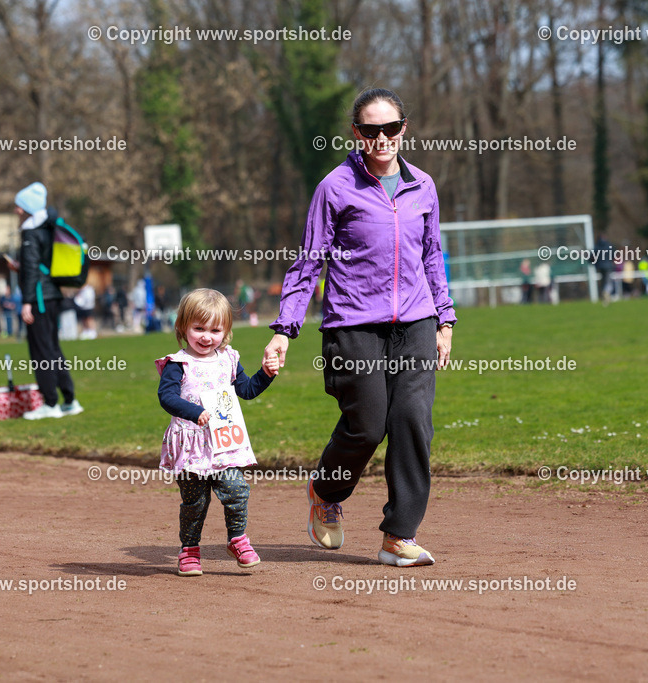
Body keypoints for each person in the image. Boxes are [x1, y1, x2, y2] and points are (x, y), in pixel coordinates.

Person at [264, 88, 456, 567]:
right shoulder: (335, 187)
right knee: (368, 426)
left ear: (404, 129)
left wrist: (445, 318)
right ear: (357, 133)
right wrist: (284, 329)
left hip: (416, 320)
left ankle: (399, 535)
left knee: (412, 421)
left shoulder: (423, 185)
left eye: (390, 128)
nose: (382, 138)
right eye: (371, 130)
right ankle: (325, 492)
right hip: (353, 323)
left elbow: (432, 254)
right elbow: (309, 260)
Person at [156, 289, 279, 576]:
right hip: (191, 444)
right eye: (199, 328)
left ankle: (237, 539)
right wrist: (194, 412)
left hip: (223, 442)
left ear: (226, 331)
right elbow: (166, 397)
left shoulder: (228, 359)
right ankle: (189, 550)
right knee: (195, 502)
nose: (206, 337)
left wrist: (266, 374)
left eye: (215, 330)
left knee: (236, 490)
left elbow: (246, 390)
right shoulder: (178, 364)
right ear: (182, 327)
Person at [11, 182, 83, 419]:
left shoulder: (31, 231)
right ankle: (69, 400)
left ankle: (50, 404)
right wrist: (21, 267)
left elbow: (33, 269)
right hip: (52, 295)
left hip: (39, 299)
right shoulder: (50, 228)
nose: (17, 210)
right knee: (53, 348)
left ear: (28, 208)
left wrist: (27, 302)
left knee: (41, 352)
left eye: (20, 206)